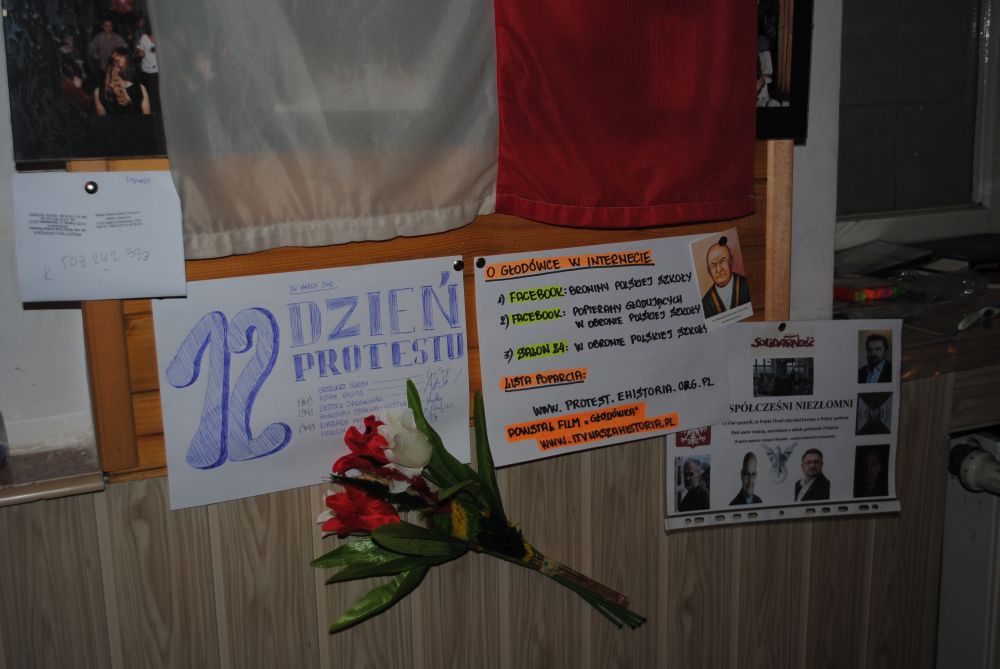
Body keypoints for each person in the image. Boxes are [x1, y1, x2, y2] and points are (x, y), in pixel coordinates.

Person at [701, 236, 751, 317]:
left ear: (731, 261)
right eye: (713, 265)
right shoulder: (705, 303)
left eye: (723, 261)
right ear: (709, 271)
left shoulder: (746, 286)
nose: (719, 269)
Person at [94, 48, 151, 115]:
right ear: (131, 67)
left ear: (110, 66)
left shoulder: (99, 92)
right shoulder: (140, 89)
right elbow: (147, 118)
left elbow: (102, 120)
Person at [134, 15, 160, 113]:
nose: (152, 39)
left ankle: (155, 111)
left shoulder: (160, 37)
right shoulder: (143, 38)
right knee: (148, 94)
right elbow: (138, 48)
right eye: (150, 37)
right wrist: (140, 52)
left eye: (153, 37)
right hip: (146, 70)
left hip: (156, 70)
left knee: (155, 94)